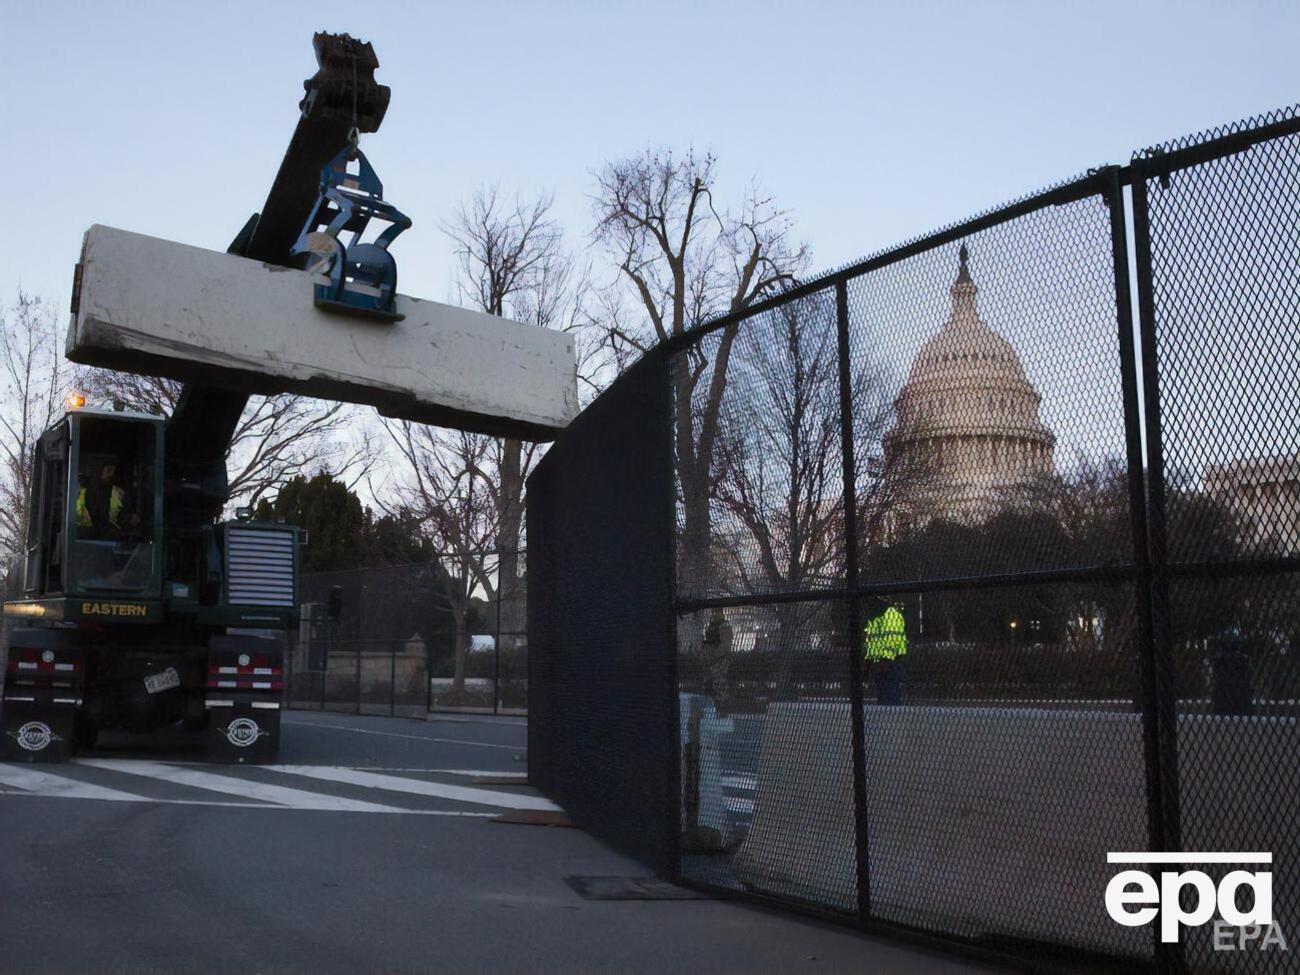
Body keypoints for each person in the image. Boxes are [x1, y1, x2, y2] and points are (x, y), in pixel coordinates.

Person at [864, 597, 907, 705]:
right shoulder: (880, 617)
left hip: (888, 658)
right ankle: (889, 704)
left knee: (889, 685)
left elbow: (890, 638)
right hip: (886, 658)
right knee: (886, 686)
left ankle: (891, 704)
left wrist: (884, 659)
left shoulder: (885, 617)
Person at [76, 459, 126, 537]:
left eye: (114, 472)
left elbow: (122, 516)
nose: (111, 474)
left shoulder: (117, 493)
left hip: (107, 539)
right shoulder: (79, 491)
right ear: (99, 471)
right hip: (82, 538)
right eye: (109, 470)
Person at [699, 608, 734, 710]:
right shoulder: (712, 625)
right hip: (710, 660)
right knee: (708, 682)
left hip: (720, 660)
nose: (713, 614)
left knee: (718, 681)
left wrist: (714, 656)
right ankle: (709, 705)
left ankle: (723, 705)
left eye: (715, 612)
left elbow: (725, 645)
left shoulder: (723, 625)